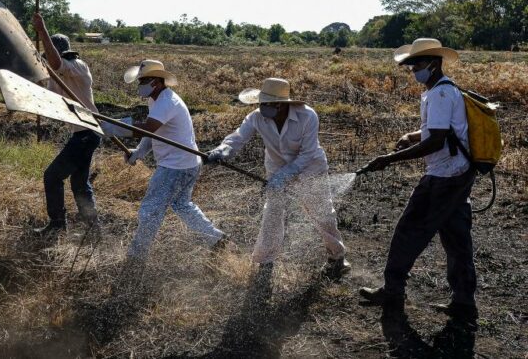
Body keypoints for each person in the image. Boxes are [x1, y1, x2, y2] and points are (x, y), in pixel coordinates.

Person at [358, 38, 477, 319]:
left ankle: (393, 290)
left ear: (434, 64)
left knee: (408, 231)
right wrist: (412, 136)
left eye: (417, 64)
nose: (413, 70)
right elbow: (443, 131)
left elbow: (436, 141)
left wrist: (388, 160)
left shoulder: (439, 94)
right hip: (458, 172)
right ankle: (464, 302)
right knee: (457, 238)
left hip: (444, 176)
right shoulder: (442, 90)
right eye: (411, 64)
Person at [207, 78, 350, 278]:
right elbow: (238, 137)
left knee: (320, 211)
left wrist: (284, 176)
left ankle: (337, 257)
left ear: (281, 104)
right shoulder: (257, 117)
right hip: (276, 166)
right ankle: (266, 261)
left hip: (310, 168)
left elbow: (307, 154)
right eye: (261, 103)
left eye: (267, 104)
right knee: (273, 211)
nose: (262, 107)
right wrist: (223, 149)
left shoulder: (307, 116)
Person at [101, 59, 227, 260]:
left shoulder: (167, 102)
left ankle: (136, 256)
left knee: (151, 210)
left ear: (157, 82)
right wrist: (138, 153)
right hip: (188, 163)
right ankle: (215, 238)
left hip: (175, 166)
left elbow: (148, 128)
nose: (140, 85)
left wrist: (115, 127)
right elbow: (154, 133)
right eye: (140, 81)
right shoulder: (157, 100)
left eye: (144, 81)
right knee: (182, 205)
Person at [32, 13, 101, 235]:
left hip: (87, 133)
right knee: (80, 185)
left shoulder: (77, 66)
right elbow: (47, 95)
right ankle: (93, 229)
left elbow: (55, 62)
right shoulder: (57, 75)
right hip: (82, 133)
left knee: (52, 176)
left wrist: (41, 30)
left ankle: (57, 225)